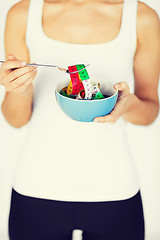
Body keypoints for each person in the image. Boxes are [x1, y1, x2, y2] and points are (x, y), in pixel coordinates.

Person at [0, 0, 160, 239]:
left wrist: (128, 104)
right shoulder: (23, 13)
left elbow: (149, 113)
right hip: (36, 187)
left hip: (115, 189)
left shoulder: (141, 16)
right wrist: (19, 90)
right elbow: (16, 119)